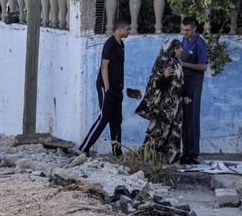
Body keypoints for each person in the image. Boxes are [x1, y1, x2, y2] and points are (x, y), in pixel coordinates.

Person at [79, 18, 131, 157]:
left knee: (116, 120)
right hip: (107, 87)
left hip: (117, 89)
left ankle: (117, 152)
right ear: (119, 29)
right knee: (104, 117)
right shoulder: (110, 44)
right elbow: (104, 65)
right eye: (127, 29)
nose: (129, 32)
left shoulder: (121, 45)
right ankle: (83, 148)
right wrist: (107, 87)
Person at [136, 40, 187, 164]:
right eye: (180, 48)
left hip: (176, 105)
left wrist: (185, 96)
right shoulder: (163, 62)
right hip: (165, 105)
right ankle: (148, 158)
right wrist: (164, 76)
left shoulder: (177, 62)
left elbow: (179, 83)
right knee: (159, 132)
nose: (182, 50)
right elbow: (155, 84)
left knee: (173, 132)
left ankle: (169, 160)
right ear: (174, 49)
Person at [178, 16, 207, 165]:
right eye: (183, 30)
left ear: (194, 29)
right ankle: (185, 152)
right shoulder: (184, 40)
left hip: (194, 85)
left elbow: (203, 66)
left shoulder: (199, 43)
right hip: (184, 84)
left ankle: (193, 153)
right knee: (184, 119)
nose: (185, 32)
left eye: (188, 30)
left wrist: (184, 64)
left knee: (193, 119)